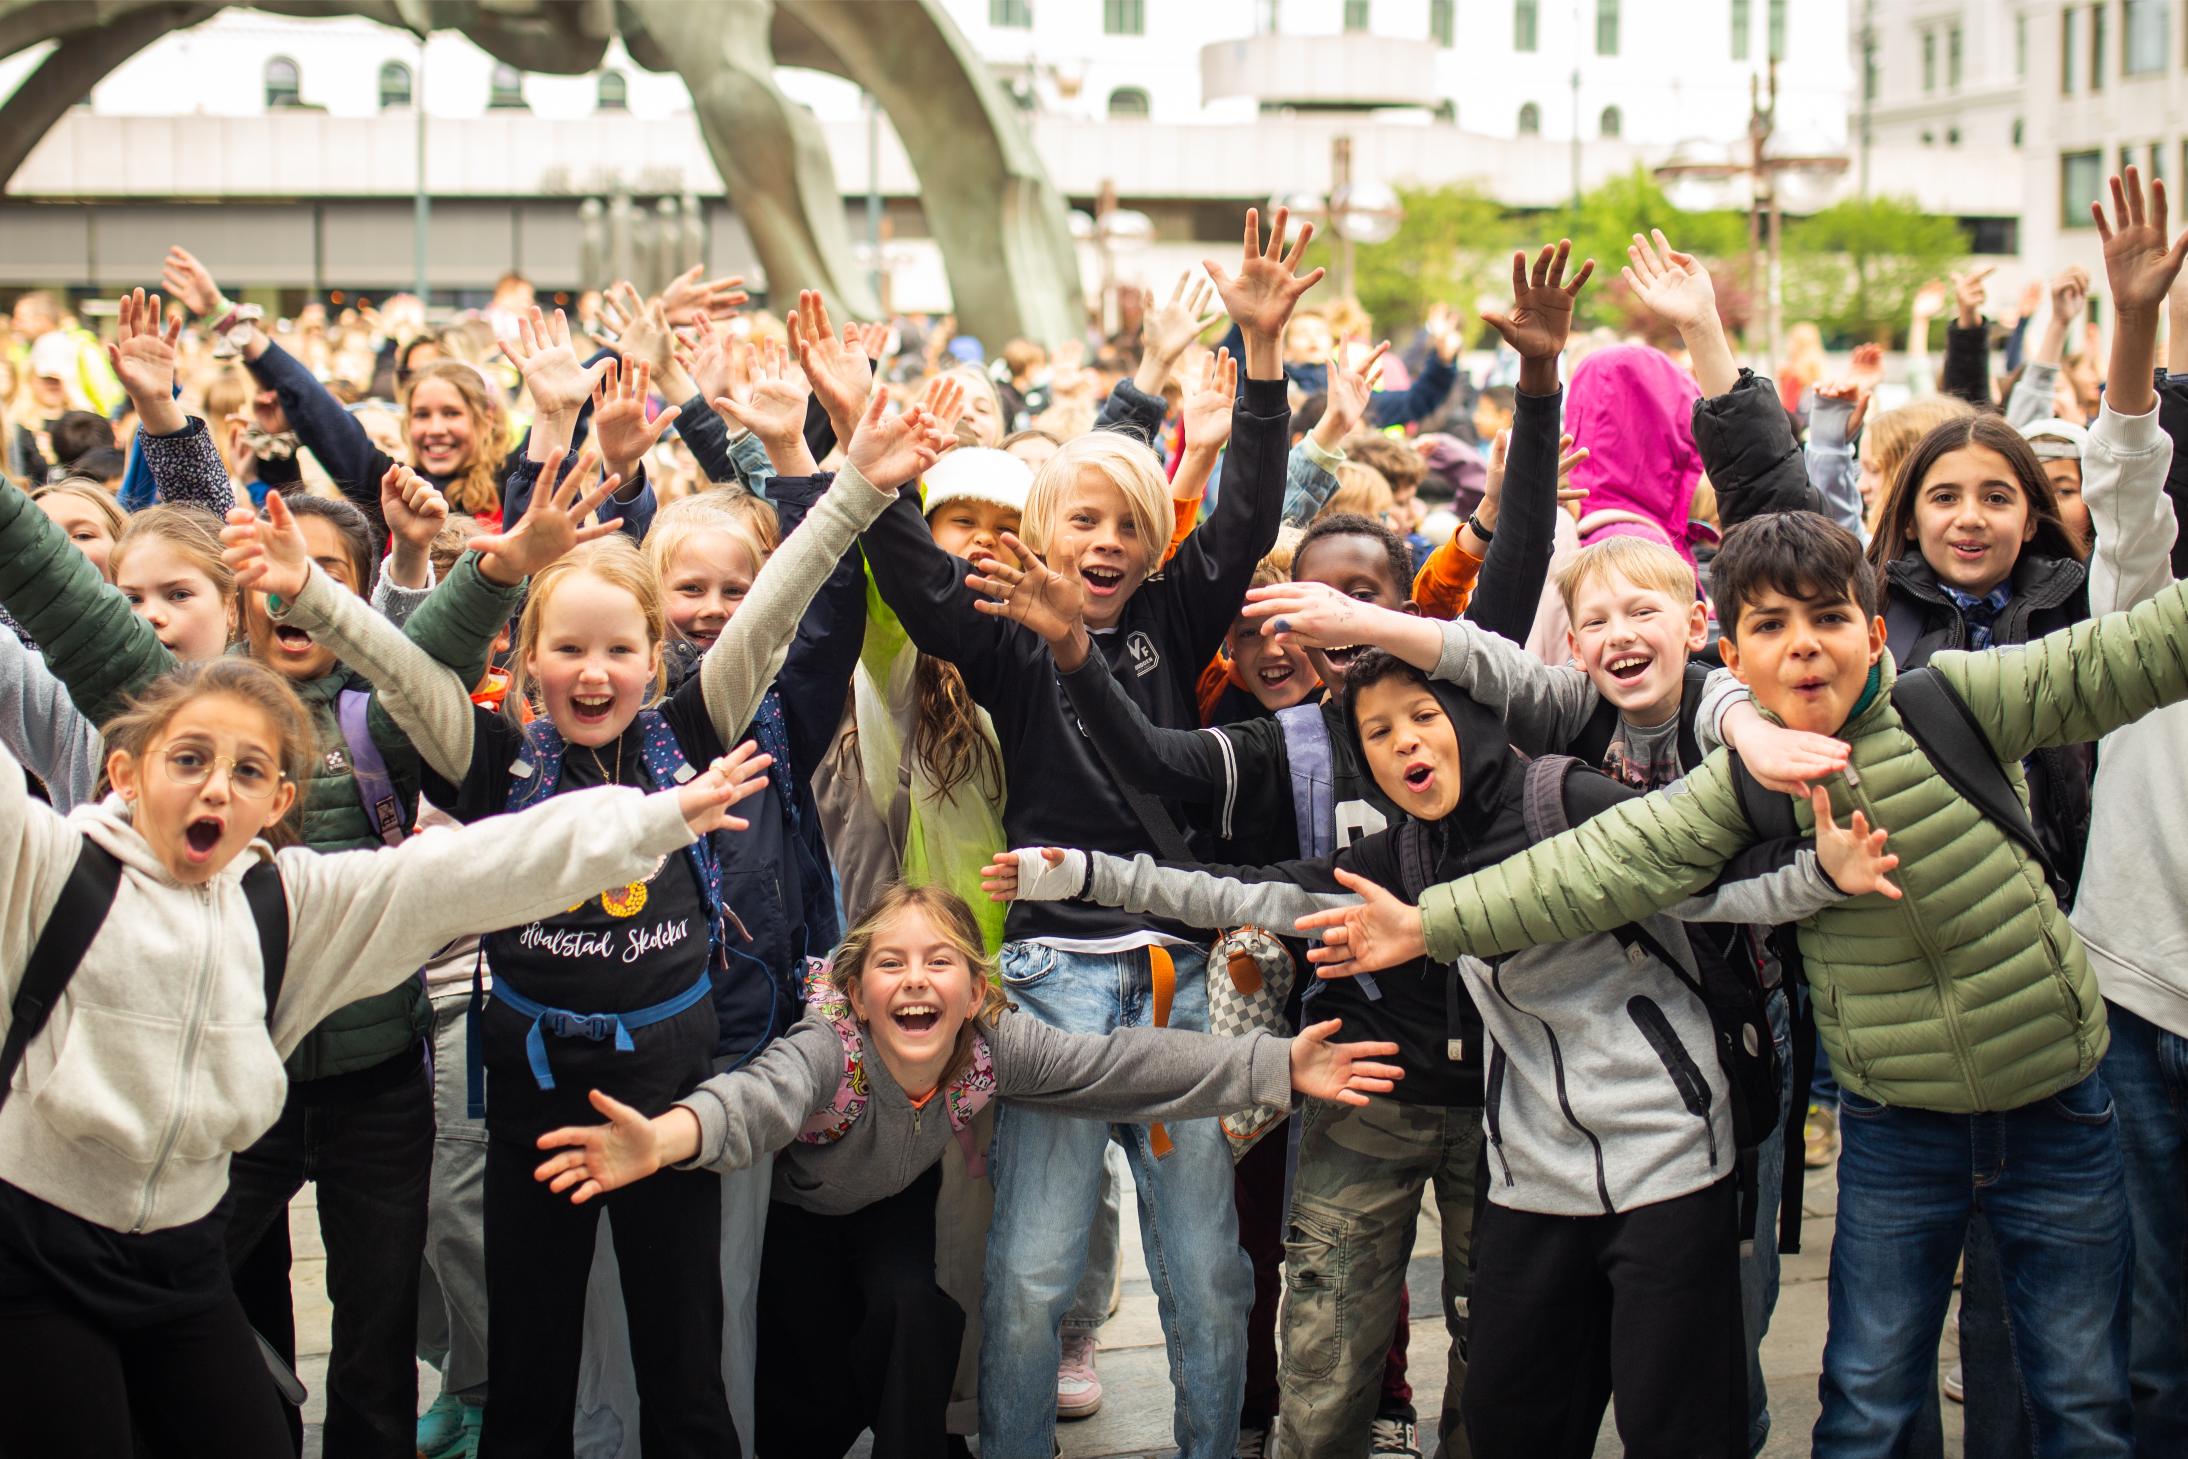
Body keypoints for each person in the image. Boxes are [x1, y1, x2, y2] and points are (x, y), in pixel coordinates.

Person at [1304, 475, 2188, 1454]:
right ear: (1733, 652)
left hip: (2054, 1102)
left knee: (2082, 1391)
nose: (1802, 643)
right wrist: (1430, 922)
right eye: (1768, 625)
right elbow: (1596, 865)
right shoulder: (1704, 773)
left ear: (1875, 628)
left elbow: (2141, 649)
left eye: (1826, 617)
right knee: (1867, 1392)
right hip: (1892, 1125)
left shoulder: (1957, 703)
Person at [238, 389, 939, 1457]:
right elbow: (405, 671)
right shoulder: (495, 763)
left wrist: (855, 488)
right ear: (526, 664)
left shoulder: (695, 729)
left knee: (684, 1365)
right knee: (532, 1363)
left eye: (619, 650)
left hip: (671, 1097)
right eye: (567, 651)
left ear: (656, 658)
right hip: (533, 1095)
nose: (595, 672)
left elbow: (776, 606)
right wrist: (319, 602)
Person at [983, 645, 1893, 1459]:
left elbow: (1701, 883)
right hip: (1532, 1173)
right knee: (1513, 1412)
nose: (1406, 743)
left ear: (1472, 715)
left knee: (1675, 1419)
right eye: (1378, 732)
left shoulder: (1563, 797)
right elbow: (1245, 893)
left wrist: (1821, 874)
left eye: (1424, 715)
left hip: (1666, 1161)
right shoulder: (1401, 858)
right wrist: (1087, 874)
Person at [0, 654, 770, 1456]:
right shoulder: (45, 869)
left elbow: (463, 872)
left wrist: (659, 817)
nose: (217, 787)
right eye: (188, 759)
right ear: (124, 771)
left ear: (280, 801)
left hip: (182, 1254)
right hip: (34, 1252)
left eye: (249, 769)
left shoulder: (286, 906)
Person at [853, 207, 1313, 1459]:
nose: (1103, 544)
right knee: (1032, 1268)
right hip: (1052, 978)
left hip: (1175, 980)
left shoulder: (1175, 610)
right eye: (1080, 522)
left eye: (1124, 523)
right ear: (1037, 539)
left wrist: (1259, 361)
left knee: (1207, 1271)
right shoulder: (1001, 633)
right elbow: (906, 574)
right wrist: (863, 456)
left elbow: (1251, 502)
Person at [528, 881, 1403, 1459]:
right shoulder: (827, 1052)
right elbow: (754, 1099)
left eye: (938, 961)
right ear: (859, 989)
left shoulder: (992, 1050)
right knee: (804, 1406)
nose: (915, 980)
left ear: (976, 989)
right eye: (892, 964)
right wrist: (665, 1138)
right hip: (799, 1225)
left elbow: (1124, 1063)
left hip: (891, 1210)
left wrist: (1274, 1062)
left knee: (916, 1308)